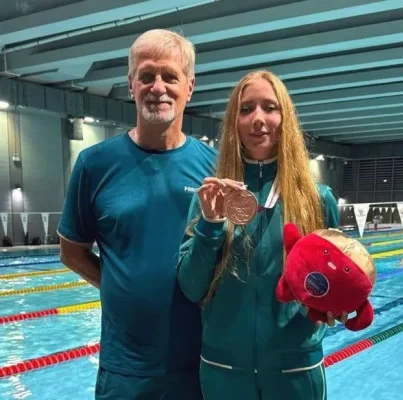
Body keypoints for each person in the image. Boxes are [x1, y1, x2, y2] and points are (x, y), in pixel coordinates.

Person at [57, 29, 217, 400]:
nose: (158, 87)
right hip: (125, 369)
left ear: (189, 87)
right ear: (132, 85)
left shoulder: (214, 167)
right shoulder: (95, 164)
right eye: (147, 76)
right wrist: (122, 289)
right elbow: (71, 252)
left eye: (170, 76)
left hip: (201, 364)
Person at [177, 70, 345, 400]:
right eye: (246, 109)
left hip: (295, 372)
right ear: (234, 122)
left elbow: (337, 278)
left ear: (285, 119)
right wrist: (210, 224)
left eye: (269, 107)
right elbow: (191, 287)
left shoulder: (316, 199)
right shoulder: (210, 199)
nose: (258, 119)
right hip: (224, 372)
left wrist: (336, 303)